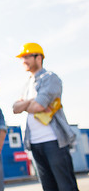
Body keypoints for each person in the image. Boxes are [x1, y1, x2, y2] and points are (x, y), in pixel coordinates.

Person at [13, 42, 78, 191]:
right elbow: (15, 108)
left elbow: (39, 106)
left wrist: (26, 104)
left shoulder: (51, 78)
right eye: (22, 58)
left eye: (27, 56)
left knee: (66, 187)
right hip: (34, 143)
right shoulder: (27, 84)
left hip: (54, 142)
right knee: (48, 187)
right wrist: (31, 101)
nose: (23, 61)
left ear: (39, 57)